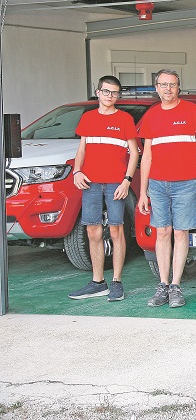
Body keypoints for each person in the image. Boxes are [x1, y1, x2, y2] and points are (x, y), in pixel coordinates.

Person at [137, 69, 196, 307]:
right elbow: (146, 156)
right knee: (162, 232)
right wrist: (142, 191)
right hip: (157, 185)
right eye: (163, 84)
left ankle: (176, 286)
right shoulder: (151, 115)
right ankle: (162, 284)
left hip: (187, 184)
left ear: (178, 87)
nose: (168, 89)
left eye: (172, 84)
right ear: (156, 88)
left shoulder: (191, 111)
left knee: (181, 233)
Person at [68, 76, 139, 301]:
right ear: (97, 92)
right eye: (106, 92)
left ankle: (117, 282)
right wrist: (77, 171)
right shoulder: (88, 118)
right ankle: (98, 282)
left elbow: (135, 152)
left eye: (115, 93)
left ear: (118, 95)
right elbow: (82, 149)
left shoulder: (125, 118)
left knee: (117, 230)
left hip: (116, 184)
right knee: (93, 231)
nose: (110, 96)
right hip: (91, 182)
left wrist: (127, 180)